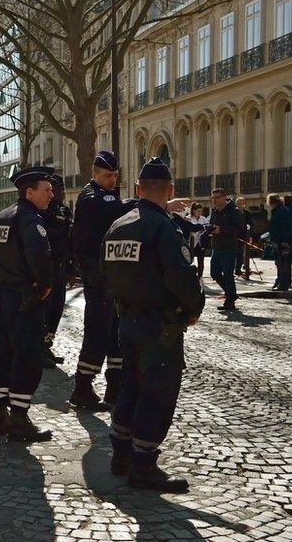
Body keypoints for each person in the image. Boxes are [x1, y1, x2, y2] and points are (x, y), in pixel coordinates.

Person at [103, 157, 205, 493]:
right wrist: (194, 307)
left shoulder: (119, 225)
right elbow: (180, 276)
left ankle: (120, 454)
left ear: (136, 190)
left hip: (127, 320)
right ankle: (143, 463)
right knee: (157, 392)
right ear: (170, 190)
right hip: (159, 326)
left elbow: (107, 275)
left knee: (130, 387)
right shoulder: (163, 227)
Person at [0, 166, 54, 442]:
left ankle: (0, 417)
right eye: (47, 189)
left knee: (4, 354)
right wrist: (42, 286)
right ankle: (19, 419)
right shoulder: (30, 219)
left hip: (4, 299)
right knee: (27, 357)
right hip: (25, 300)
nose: (51, 195)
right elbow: (39, 257)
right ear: (29, 192)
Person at [68, 150, 134, 411]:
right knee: (97, 331)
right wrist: (148, 201)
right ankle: (82, 388)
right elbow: (117, 210)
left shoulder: (104, 195)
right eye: (108, 176)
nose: (113, 180)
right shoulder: (91, 197)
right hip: (98, 277)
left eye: (115, 176)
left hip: (109, 276)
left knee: (115, 332)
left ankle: (114, 386)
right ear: (95, 175)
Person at [41, 174, 74, 369]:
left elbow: (70, 242)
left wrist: (71, 269)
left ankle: (48, 345)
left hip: (61, 268)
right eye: (55, 189)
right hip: (47, 269)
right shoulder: (43, 212)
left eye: (60, 189)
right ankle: (40, 349)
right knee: (45, 311)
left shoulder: (65, 211)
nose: (59, 192)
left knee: (56, 311)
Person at [208, 188, 245, 311]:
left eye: (216, 197)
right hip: (216, 246)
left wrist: (222, 230)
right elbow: (212, 224)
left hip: (228, 247)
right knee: (215, 273)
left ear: (224, 197)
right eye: (212, 198)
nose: (214, 200)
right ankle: (231, 294)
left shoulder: (233, 211)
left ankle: (230, 301)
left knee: (228, 274)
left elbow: (239, 228)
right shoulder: (215, 210)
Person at [267, 194, 292, 291]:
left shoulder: (281, 211)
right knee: (282, 263)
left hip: (282, 241)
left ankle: (283, 284)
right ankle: (283, 283)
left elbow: (285, 227)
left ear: (271, 201)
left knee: (282, 263)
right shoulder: (280, 210)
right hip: (280, 240)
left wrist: (284, 241)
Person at [234, 197, 254, 279]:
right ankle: (236, 269)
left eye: (241, 204)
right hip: (235, 236)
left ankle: (241, 268)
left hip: (244, 235)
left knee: (242, 253)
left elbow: (250, 223)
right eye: (238, 204)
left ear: (244, 204)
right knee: (236, 253)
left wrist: (250, 235)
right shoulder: (234, 213)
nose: (240, 205)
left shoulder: (247, 213)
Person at [188, 203, 209, 278]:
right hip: (191, 242)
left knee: (201, 261)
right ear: (193, 211)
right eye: (198, 211)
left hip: (201, 242)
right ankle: (191, 276)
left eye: (201, 211)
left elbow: (207, 227)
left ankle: (200, 276)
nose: (200, 213)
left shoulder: (203, 218)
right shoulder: (189, 218)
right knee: (191, 260)